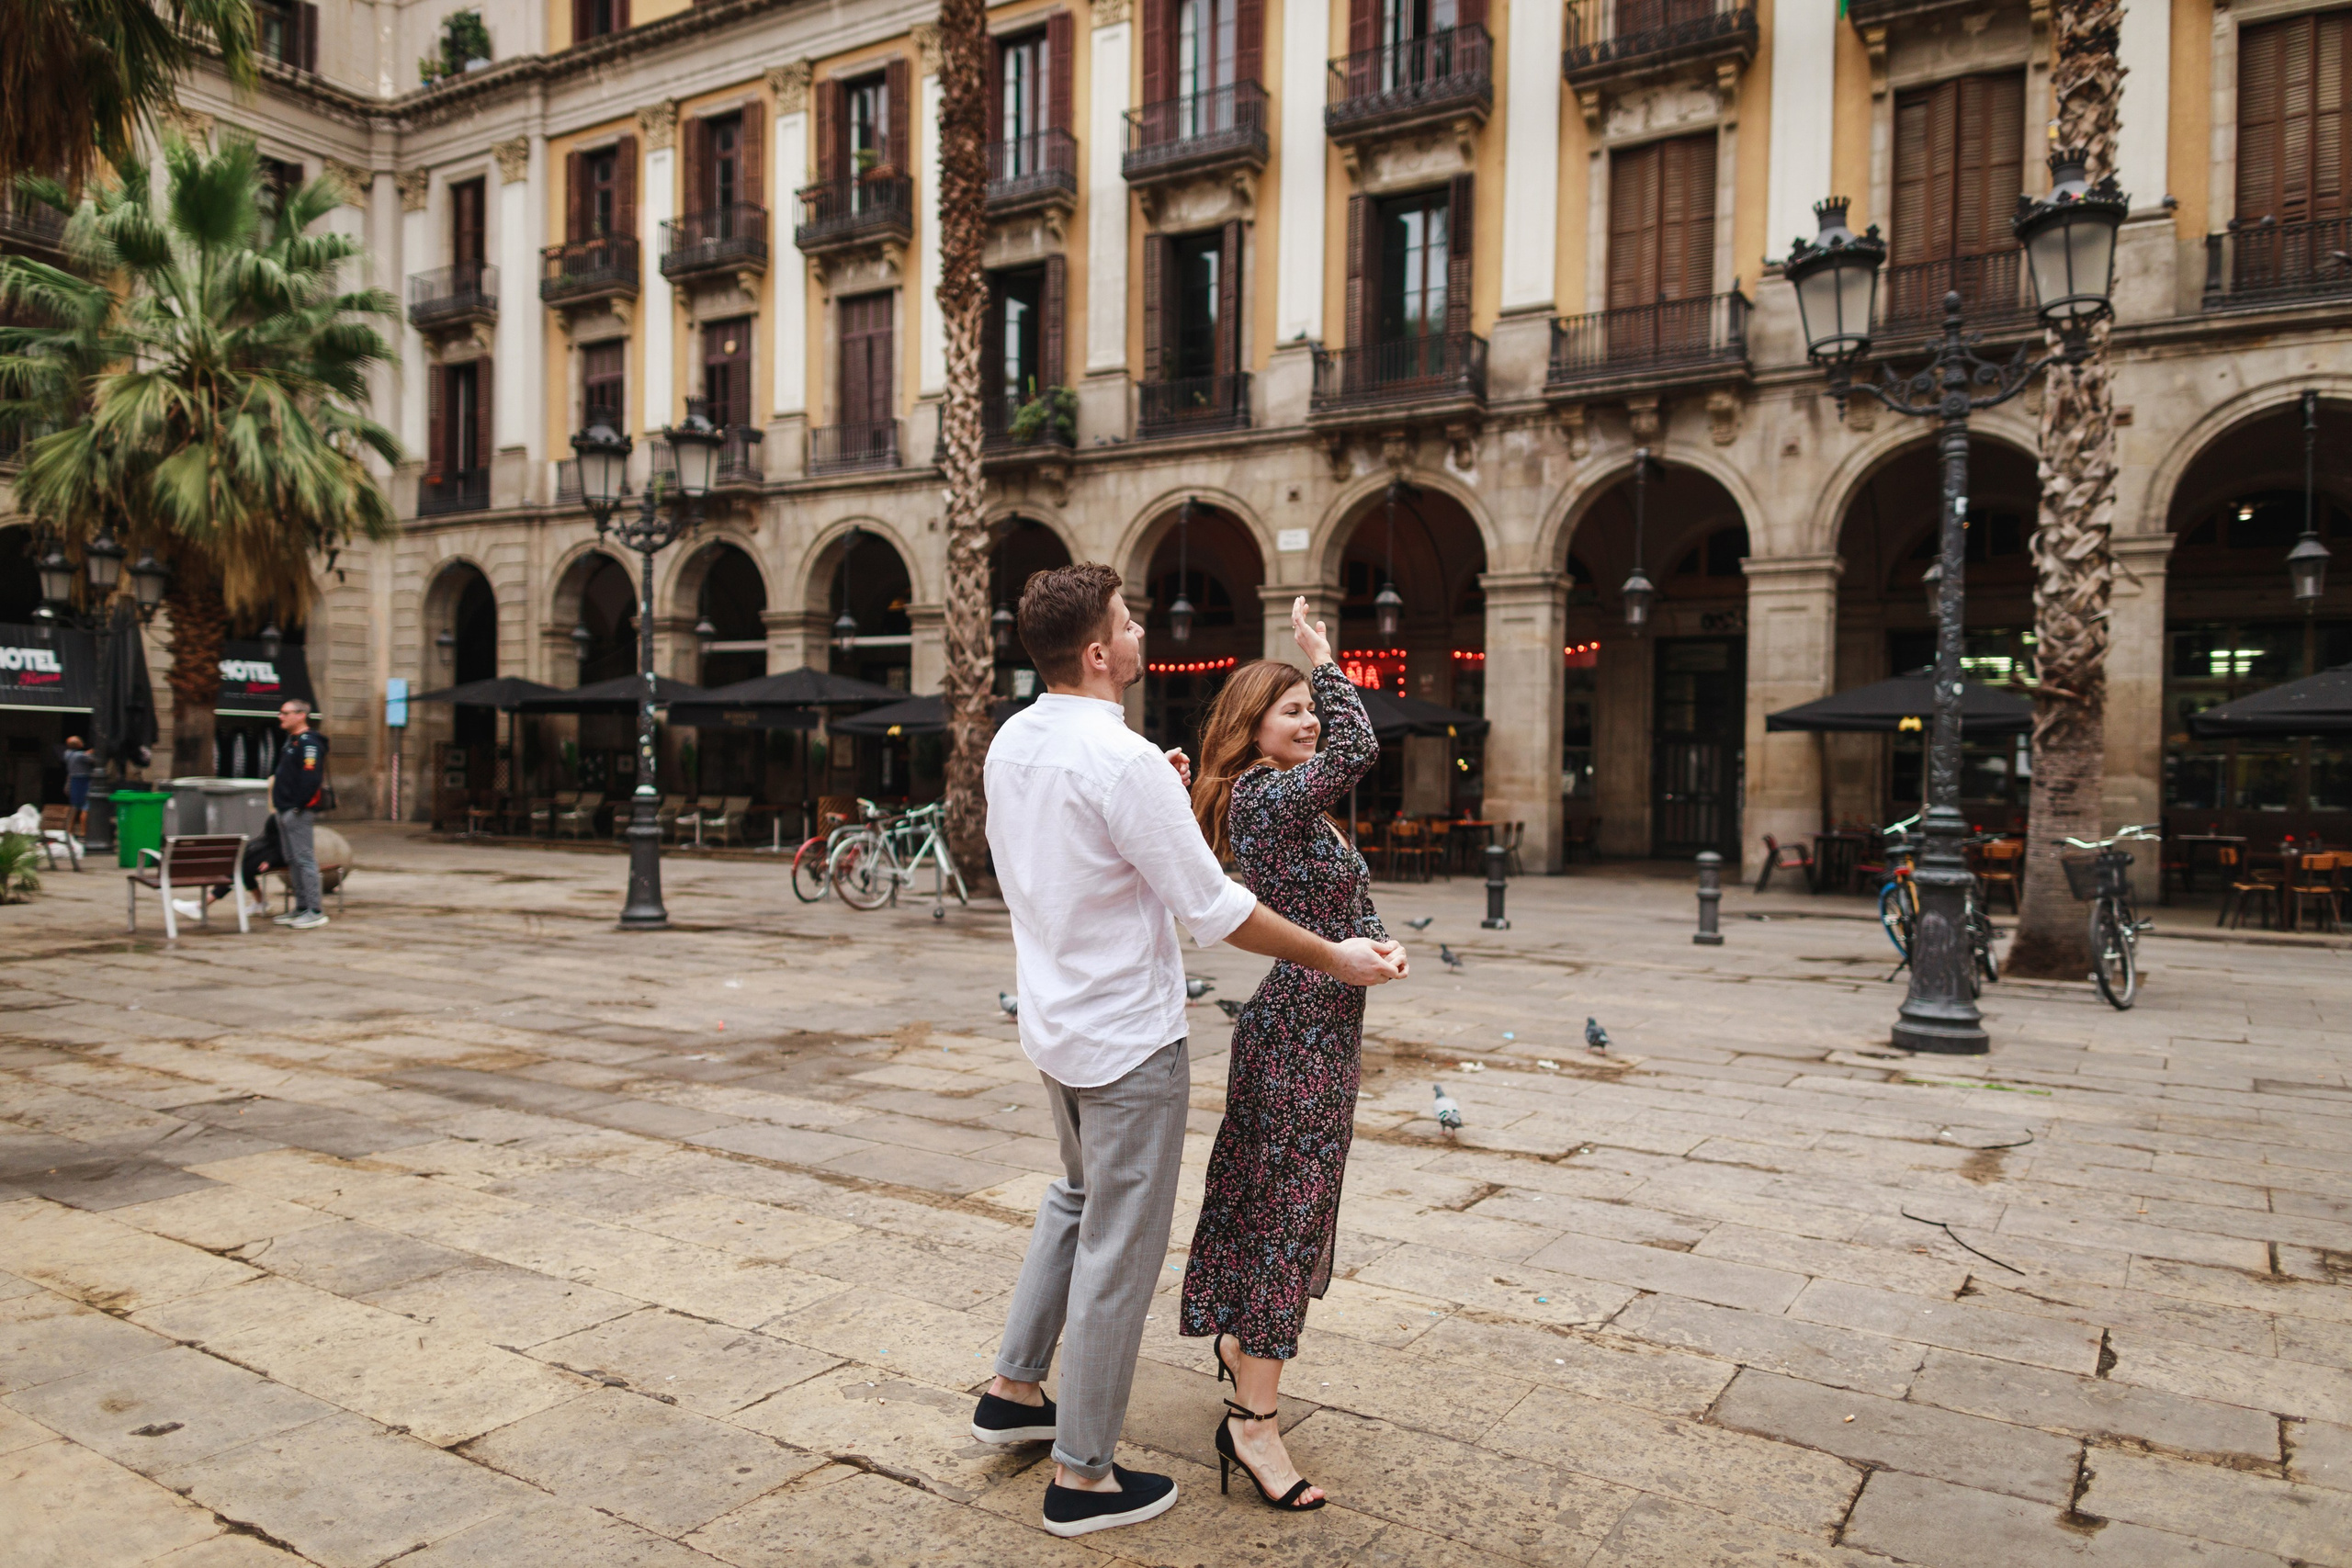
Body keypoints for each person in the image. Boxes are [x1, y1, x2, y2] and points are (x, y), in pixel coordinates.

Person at [974, 563, 1406, 1540]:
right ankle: (1081, 1477)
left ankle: (1012, 1389)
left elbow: (1065, 854)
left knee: (1074, 1200)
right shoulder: (1121, 760)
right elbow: (1215, 913)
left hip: (1054, 1023)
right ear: (1097, 652)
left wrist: (1157, 796)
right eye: (1128, 624)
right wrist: (1331, 954)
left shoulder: (1015, 742)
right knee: (1118, 1245)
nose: (1140, 637)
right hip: (1127, 1037)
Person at [1178, 603, 1391, 1511]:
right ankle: (1252, 1424)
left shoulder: (1290, 805)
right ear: (1252, 730)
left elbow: (1338, 902)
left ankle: (1240, 1344)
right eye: (1292, 709)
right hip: (1296, 1035)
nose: (1310, 720)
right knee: (1287, 1220)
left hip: (1317, 1021)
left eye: (1312, 704)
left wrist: (1380, 942)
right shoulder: (1266, 794)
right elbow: (1360, 752)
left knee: (1281, 1207)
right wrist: (1327, 659)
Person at [272, 700, 330, 929]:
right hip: (285, 809)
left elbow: (311, 778)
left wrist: (298, 806)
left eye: (285, 713)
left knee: (304, 859)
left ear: (301, 715)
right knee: (293, 860)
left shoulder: (310, 743)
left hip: (297, 811)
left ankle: (315, 910)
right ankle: (301, 907)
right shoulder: (291, 742)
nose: (280, 717)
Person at [61, 737, 95, 837]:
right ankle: (83, 832)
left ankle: (69, 831)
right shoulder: (81, 756)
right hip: (84, 781)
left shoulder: (67, 754)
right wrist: (91, 752)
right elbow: (93, 760)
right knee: (85, 808)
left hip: (74, 781)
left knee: (74, 807)